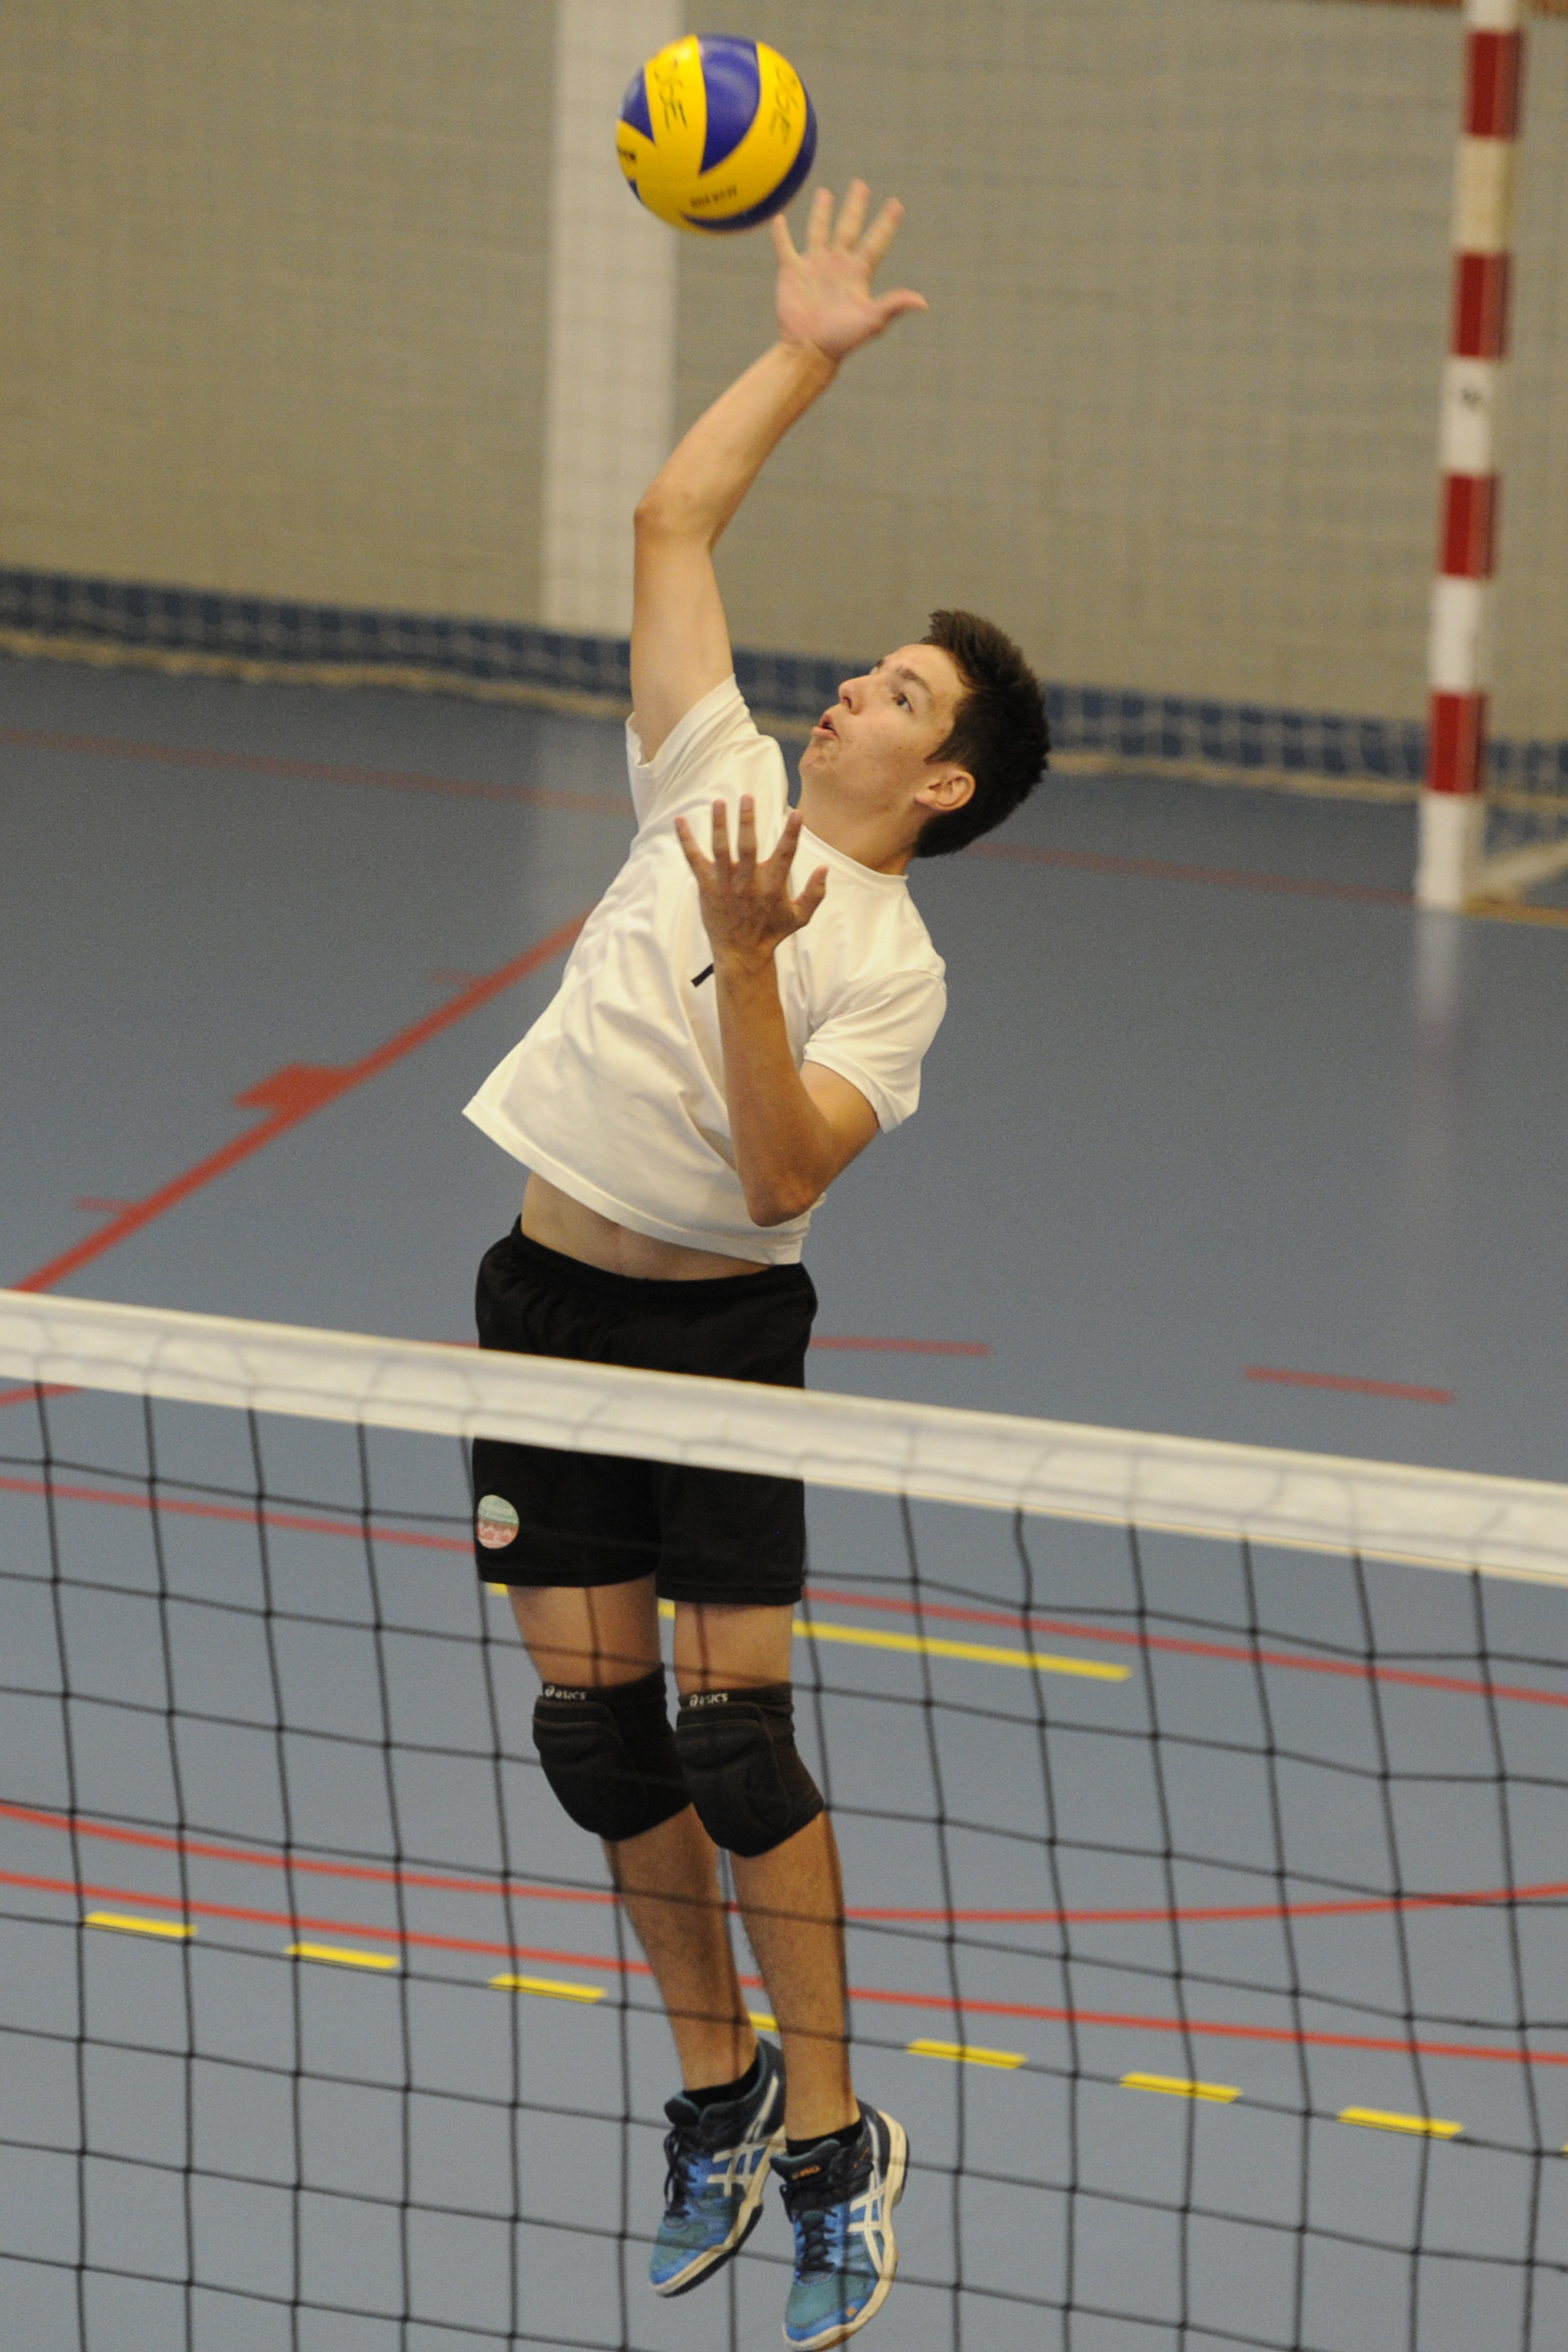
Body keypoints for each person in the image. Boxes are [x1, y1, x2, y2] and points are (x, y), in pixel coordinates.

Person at [463, 182, 1047, 2351]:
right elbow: (669, 522)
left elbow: (781, 1163)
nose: (845, 689)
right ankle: (707, 2095)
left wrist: (743, 956)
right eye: (864, 667)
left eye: (894, 690)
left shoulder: (888, 965)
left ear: (941, 775)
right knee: (598, 1741)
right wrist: (803, 348)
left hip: (712, 1334)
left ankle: (828, 2133)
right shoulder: (702, 769)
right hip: (541, 1304)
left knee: (737, 1751)